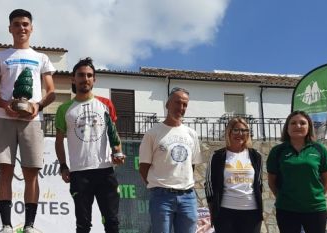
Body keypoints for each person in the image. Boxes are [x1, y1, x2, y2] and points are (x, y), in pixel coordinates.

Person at [0, 9, 56, 233]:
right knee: (5, 171)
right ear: (10, 29)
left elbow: (51, 91)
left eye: (25, 24)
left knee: (31, 173)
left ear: (31, 28)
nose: (21, 28)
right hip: (3, 119)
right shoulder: (0, 57)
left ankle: (29, 225)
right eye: (17, 24)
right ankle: (6, 225)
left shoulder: (41, 58)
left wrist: (38, 106)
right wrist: (6, 105)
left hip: (32, 121)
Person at [55, 57, 124, 233]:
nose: (85, 78)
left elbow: (114, 134)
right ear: (73, 79)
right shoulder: (64, 109)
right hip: (79, 173)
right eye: (81, 75)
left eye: (89, 75)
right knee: (83, 225)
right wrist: (63, 166)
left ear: (94, 79)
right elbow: (58, 142)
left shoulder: (106, 104)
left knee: (112, 221)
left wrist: (118, 152)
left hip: (105, 170)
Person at [138, 87, 202, 233]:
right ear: (167, 104)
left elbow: (191, 166)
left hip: (188, 197)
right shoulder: (152, 134)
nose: (181, 107)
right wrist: (158, 187)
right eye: (177, 103)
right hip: (161, 197)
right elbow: (143, 169)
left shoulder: (192, 134)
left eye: (185, 104)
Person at [267, 111, 327, 233]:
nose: (298, 126)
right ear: (287, 127)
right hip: (287, 209)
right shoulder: (278, 151)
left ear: (309, 127)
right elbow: (271, 181)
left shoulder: (319, 149)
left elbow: (325, 179)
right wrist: (283, 198)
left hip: (315, 209)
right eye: (293, 123)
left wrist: (315, 197)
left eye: (303, 123)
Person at [204, 117, 263, 233]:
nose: (240, 134)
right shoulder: (217, 156)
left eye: (244, 131)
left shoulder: (256, 156)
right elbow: (209, 186)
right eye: (236, 130)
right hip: (225, 213)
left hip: (252, 212)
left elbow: (259, 184)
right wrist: (212, 211)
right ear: (229, 132)